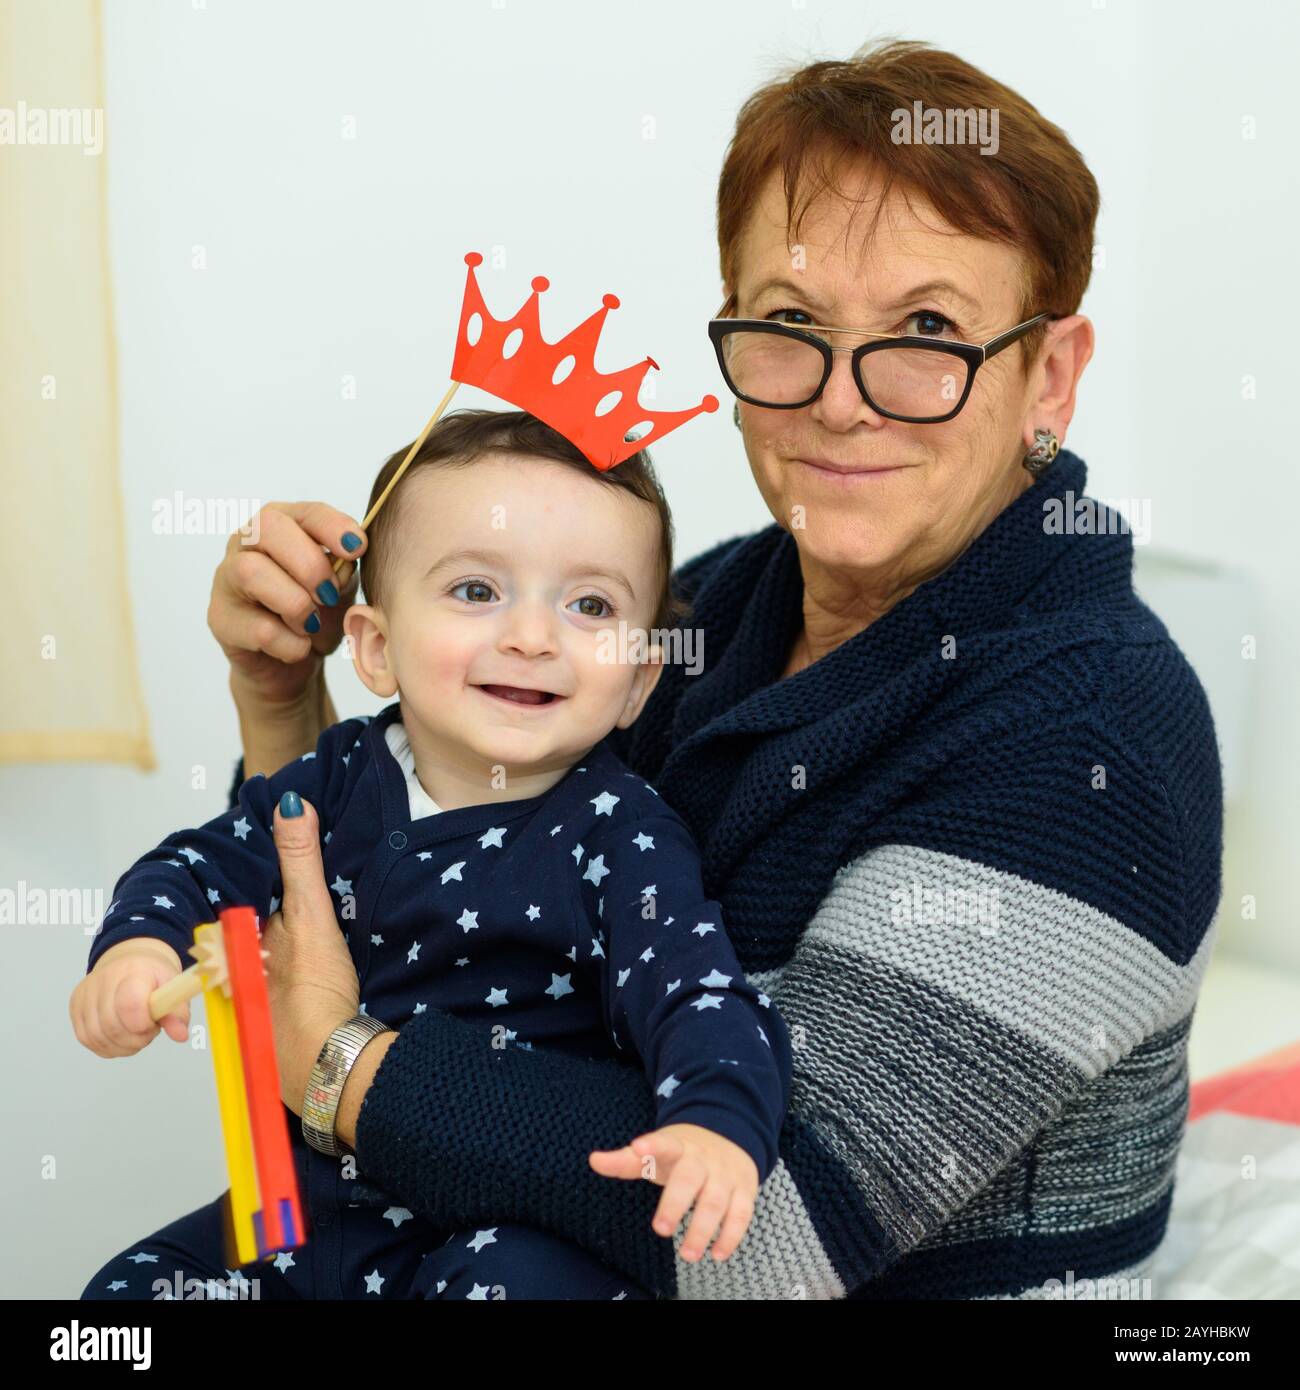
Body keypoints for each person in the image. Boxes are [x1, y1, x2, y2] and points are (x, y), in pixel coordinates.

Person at [157, 39, 1227, 1299]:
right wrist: (284, 701)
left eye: (926, 331)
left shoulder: (1087, 744)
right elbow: (434, 894)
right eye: (788, 324)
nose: (839, 401)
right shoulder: (709, 606)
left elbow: (757, 1238)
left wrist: (338, 1067)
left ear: (1047, 374)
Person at [74, 411, 791, 1300]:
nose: (532, 636)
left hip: (504, 1227)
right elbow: (199, 864)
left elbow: (699, 995)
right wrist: (137, 946)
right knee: (124, 1299)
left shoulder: (625, 832)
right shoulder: (338, 775)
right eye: (477, 592)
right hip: (306, 1211)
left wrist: (714, 1125)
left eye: (590, 605)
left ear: (639, 679)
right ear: (375, 647)